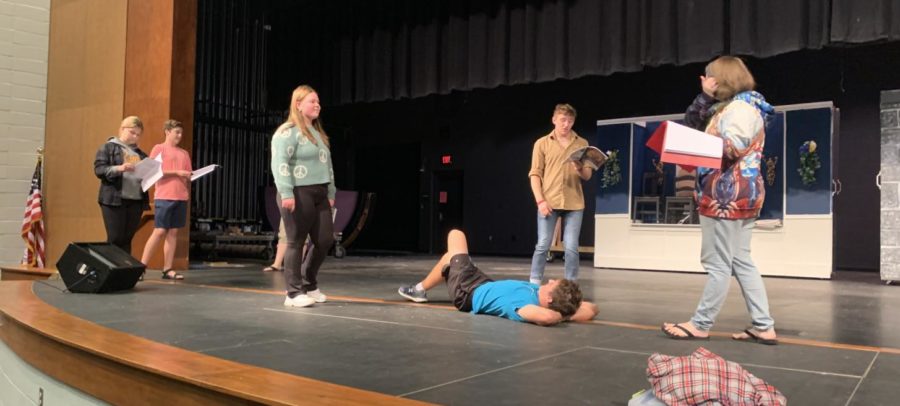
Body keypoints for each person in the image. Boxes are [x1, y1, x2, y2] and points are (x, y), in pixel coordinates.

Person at [662, 56, 778, 345]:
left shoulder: (739, 109)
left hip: (725, 196)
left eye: (710, 77)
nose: (706, 81)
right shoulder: (732, 107)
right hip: (738, 194)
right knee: (740, 260)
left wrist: (689, 146)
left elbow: (733, 148)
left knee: (717, 262)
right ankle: (764, 326)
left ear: (722, 78)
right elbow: (694, 123)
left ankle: (701, 323)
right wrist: (705, 98)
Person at [398, 229, 599, 326]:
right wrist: (568, 311)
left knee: (455, 235)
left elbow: (547, 317)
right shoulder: (541, 295)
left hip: (467, 292)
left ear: (550, 300)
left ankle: (419, 289)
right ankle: (419, 289)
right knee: (448, 260)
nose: (551, 281)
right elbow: (592, 308)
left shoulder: (526, 305)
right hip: (482, 282)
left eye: (554, 284)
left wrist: (559, 315)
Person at [271, 85, 336, 308]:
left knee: (325, 239)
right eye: (312, 101)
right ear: (298, 104)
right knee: (296, 241)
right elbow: (280, 163)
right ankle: (293, 293)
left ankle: (309, 282)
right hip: (298, 191)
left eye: (318, 102)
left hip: (320, 192)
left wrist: (331, 192)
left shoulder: (318, 134)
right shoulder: (287, 132)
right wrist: (286, 192)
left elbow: (328, 166)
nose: (317, 105)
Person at [528, 103, 594, 284]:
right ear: (554, 120)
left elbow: (587, 175)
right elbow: (535, 174)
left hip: (574, 202)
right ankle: (534, 283)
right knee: (543, 244)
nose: (566, 124)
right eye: (563, 120)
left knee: (571, 247)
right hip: (549, 201)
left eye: (570, 121)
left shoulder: (582, 143)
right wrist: (540, 201)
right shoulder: (542, 143)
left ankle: (570, 285)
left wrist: (580, 167)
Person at [140, 120, 192, 280]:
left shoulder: (184, 153)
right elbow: (154, 171)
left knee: (174, 232)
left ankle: (167, 268)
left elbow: (188, 173)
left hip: (181, 196)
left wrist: (190, 175)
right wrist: (177, 172)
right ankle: (142, 267)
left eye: (181, 133)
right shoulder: (159, 148)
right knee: (160, 231)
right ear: (167, 132)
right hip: (164, 195)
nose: (179, 136)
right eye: (176, 132)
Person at [94, 116, 150, 254]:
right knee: (115, 237)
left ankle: (124, 270)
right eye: (132, 132)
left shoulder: (141, 154)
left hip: (136, 200)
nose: (135, 137)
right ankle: (111, 271)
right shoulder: (108, 147)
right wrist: (119, 168)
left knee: (127, 238)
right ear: (122, 129)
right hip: (114, 199)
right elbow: (99, 170)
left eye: (138, 135)